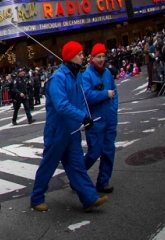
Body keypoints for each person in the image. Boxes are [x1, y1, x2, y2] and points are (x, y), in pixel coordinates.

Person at [30, 42, 108, 213]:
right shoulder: (57, 79)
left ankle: (89, 198)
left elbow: (80, 100)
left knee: (77, 165)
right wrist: (82, 117)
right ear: (71, 56)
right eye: (79, 54)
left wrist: (85, 117)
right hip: (57, 131)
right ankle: (36, 198)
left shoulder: (77, 75)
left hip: (73, 130)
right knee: (48, 165)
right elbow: (61, 105)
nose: (83, 57)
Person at [82, 44, 118, 193]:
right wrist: (104, 94)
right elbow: (87, 96)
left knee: (109, 151)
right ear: (92, 58)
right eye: (98, 57)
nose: (101, 59)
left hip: (109, 118)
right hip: (95, 121)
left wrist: (114, 109)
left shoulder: (107, 73)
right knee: (94, 152)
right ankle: (77, 176)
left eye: (103, 56)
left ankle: (103, 182)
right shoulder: (86, 75)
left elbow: (114, 91)